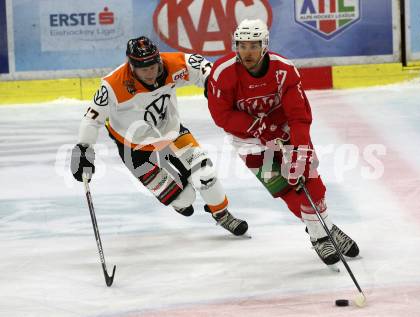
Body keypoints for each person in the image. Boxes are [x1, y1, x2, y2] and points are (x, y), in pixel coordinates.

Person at [207, 19, 359, 265]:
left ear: (264, 45)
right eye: (242, 45)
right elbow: (221, 116)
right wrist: (258, 127)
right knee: (283, 188)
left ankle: (320, 235)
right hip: (248, 141)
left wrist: (299, 151)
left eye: (253, 45)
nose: (247, 51)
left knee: (311, 183)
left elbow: (299, 116)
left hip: (286, 131)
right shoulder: (222, 73)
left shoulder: (284, 70)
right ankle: (325, 231)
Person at [70, 36, 248, 236]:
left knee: (205, 175)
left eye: (153, 66)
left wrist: (212, 84)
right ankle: (179, 196)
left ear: (159, 60)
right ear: (132, 67)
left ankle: (223, 215)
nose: (150, 73)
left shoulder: (173, 64)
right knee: (185, 199)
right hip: (133, 148)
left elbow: (204, 68)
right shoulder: (113, 85)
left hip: (172, 133)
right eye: (143, 69)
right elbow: (92, 119)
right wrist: (84, 148)